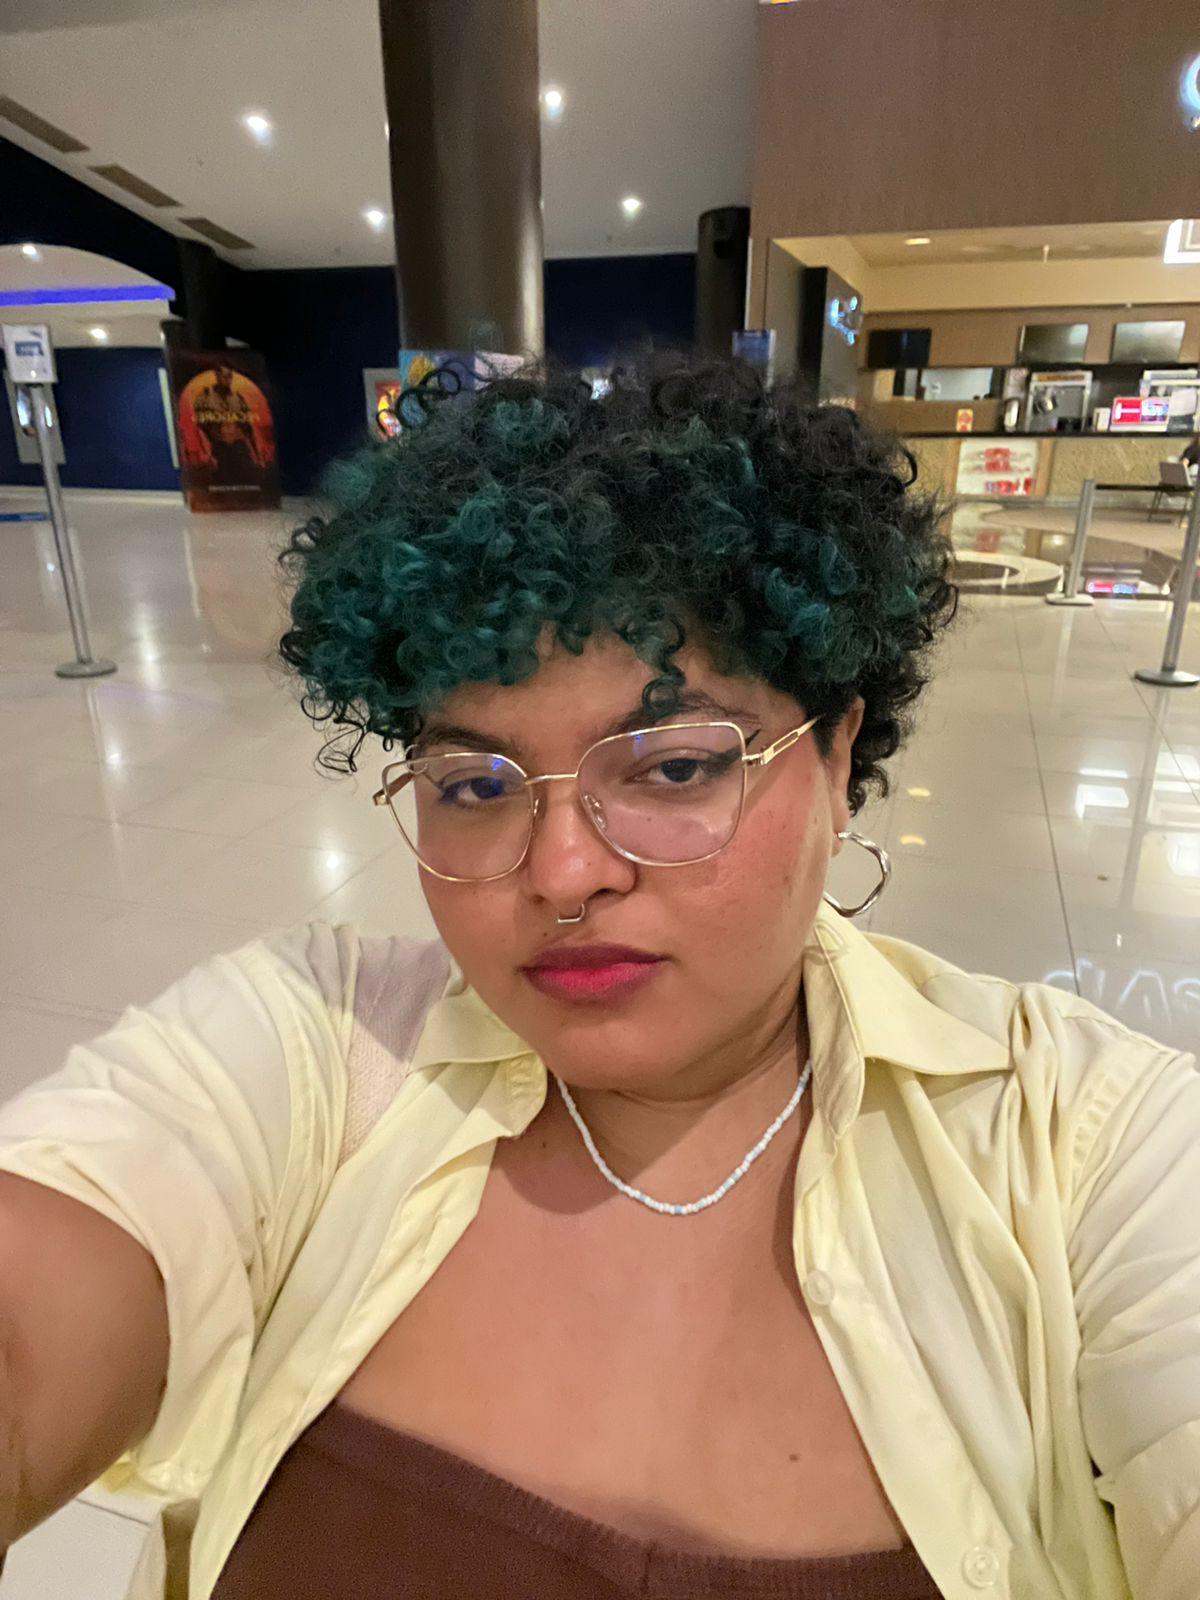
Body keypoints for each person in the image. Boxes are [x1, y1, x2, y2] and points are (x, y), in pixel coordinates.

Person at [1, 361, 1196, 1600]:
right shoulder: (320, 1050)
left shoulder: (1086, 1152)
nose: (563, 872)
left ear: (838, 753)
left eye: (674, 767)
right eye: (476, 785)